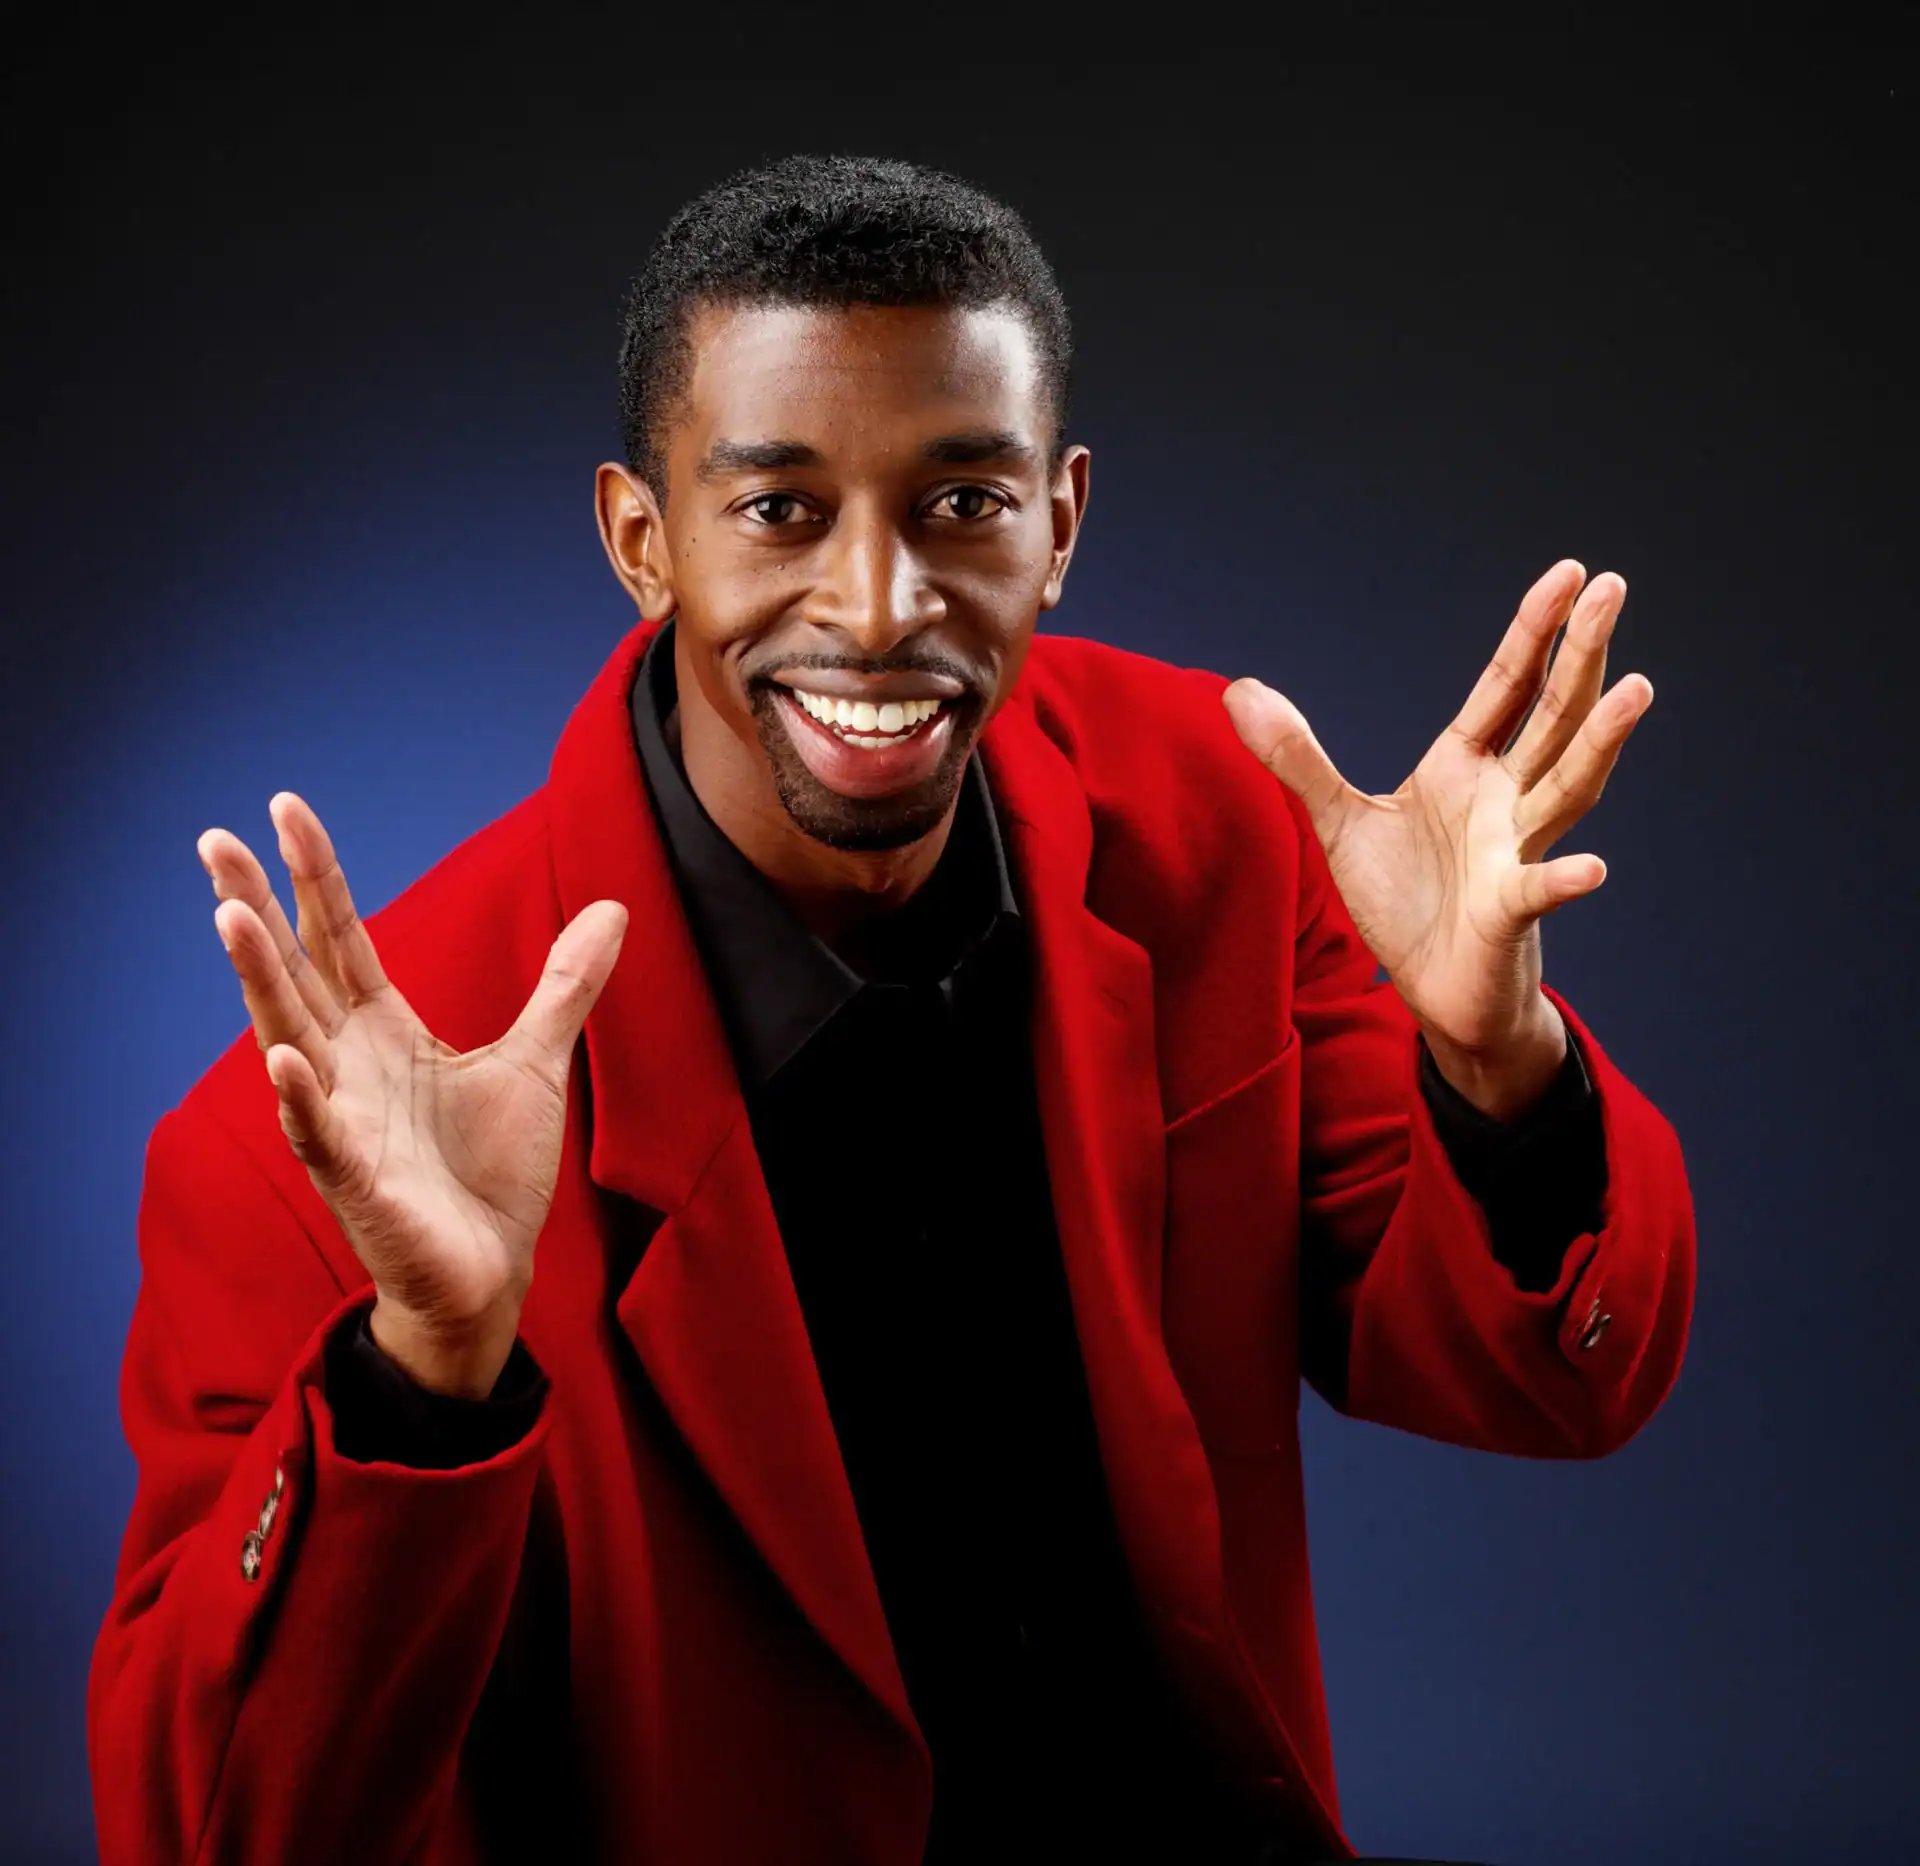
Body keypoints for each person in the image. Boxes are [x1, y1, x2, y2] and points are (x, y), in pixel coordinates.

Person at [86, 154, 1695, 1866]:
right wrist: (426, 1372)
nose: (878, 608)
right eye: (779, 508)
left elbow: (1549, 1385)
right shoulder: (310, 1133)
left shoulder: (1211, 819)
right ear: (644, 542)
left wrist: (1495, 1061)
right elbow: (225, 1833)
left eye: (962, 504)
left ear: (1058, 523)